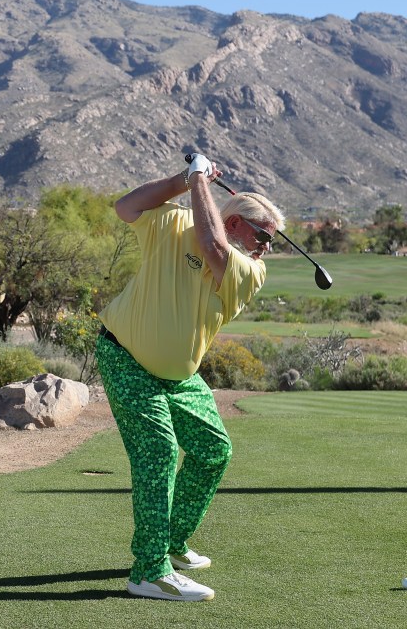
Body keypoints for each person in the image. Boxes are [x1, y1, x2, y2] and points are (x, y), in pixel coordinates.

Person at [96, 153, 284, 602]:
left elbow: (214, 247)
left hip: (179, 376)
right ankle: (150, 571)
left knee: (213, 450)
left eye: (273, 241)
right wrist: (185, 179)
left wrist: (199, 176)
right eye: (263, 235)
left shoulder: (249, 270)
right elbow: (127, 207)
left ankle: (173, 541)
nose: (267, 247)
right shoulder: (175, 223)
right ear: (236, 221)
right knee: (158, 454)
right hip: (126, 359)